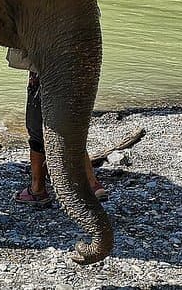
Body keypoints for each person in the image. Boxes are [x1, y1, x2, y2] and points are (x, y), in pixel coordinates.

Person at [7, 49, 107, 206]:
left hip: (48, 63)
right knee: (70, 125)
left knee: (37, 128)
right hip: (76, 64)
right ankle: (92, 183)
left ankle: (37, 189)